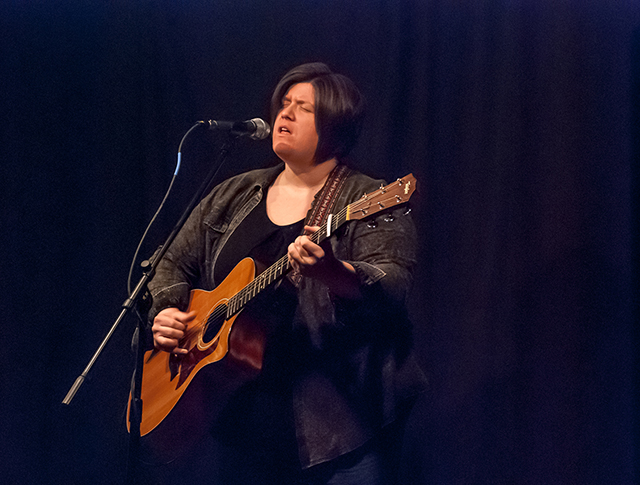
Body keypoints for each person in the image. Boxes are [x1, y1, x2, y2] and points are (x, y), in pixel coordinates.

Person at [146, 62, 427, 484]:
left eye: (304, 108)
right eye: (285, 104)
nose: (285, 114)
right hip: (242, 426)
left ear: (336, 125)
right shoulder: (236, 193)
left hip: (338, 429)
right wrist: (166, 310)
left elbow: (392, 285)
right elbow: (169, 261)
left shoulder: (368, 198)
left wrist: (334, 272)